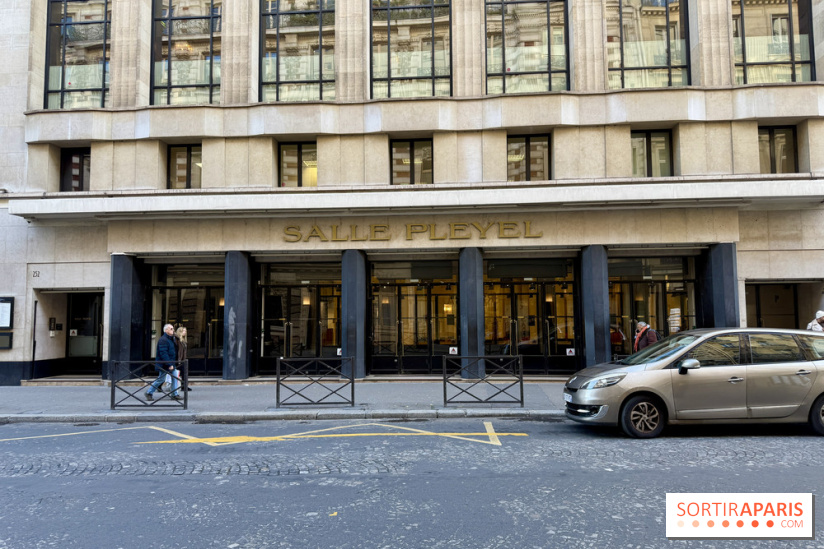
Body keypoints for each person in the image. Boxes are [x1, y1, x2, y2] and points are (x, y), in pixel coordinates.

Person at [146, 324, 180, 401]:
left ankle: (174, 394)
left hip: (171, 363)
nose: (173, 330)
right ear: (166, 330)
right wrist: (169, 364)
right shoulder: (163, 340)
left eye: (173, 329)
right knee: (161, 379)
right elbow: (163, 353)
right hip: (164, 364)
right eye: (171, 329)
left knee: (174, 378)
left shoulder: (171, 339)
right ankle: (149, 392)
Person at [175, 326, 191, 391]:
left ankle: (184, 386)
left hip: (183, 360)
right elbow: (178, 351)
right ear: (180, 332)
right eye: (184, 331)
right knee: (169, 373)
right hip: (179, 360)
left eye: (186, 331)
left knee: (184, 373)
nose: (185, 332)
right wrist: (179, 360)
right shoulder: (177, 340)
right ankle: (159, 385)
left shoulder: (183, 341)